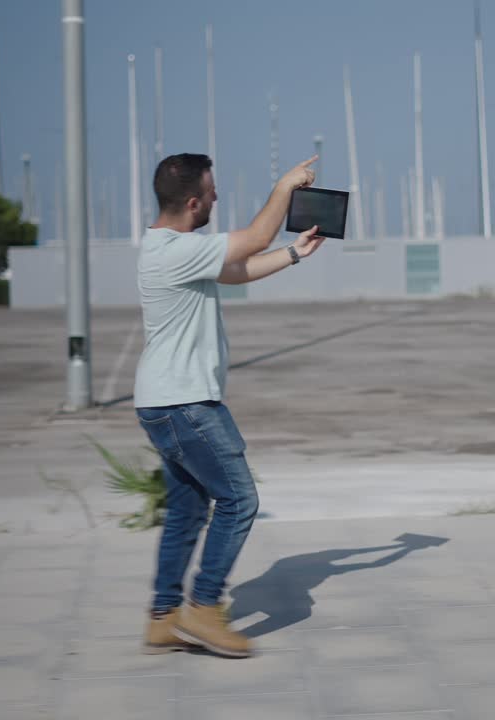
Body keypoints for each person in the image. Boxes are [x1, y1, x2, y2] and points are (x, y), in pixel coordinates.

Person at [137, 152, 323, 658]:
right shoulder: (174, 250)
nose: (218, 197)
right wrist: (285, 186)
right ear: (193, 201)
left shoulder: (173, 249)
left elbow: (237, 269)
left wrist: (295, 253)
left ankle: (162, 617)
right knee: (240, 500)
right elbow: (255, 238)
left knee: (187, 509)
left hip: (167, 402)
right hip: (185, 405)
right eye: (213, 192)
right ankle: (204, 608)